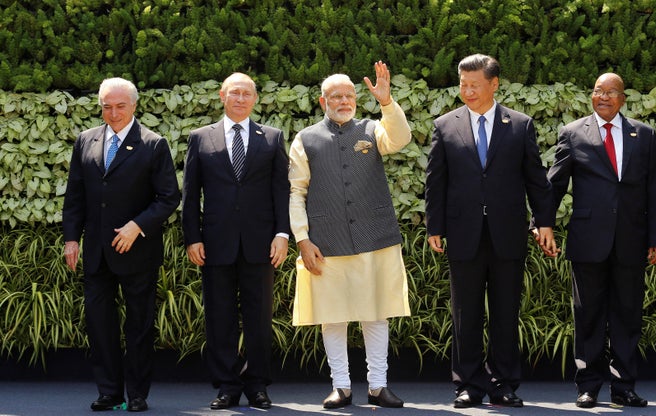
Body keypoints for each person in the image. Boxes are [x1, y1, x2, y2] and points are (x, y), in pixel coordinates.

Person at [424, 54, 557, 409]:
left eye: (474, 85)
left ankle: (503, 384)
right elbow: (436, 180)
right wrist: (434, 226)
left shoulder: (520, 124)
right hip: (463, 233)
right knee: (465, 314)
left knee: (505, 313)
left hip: (507, 233)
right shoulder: (445, 125)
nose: (466, 91)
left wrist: (543, 222)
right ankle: (467, 384)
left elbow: (536, 180)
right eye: (462, 84)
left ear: (494, 84)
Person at [288, 61, 411, 409]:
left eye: (349, 95)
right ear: (322, 100)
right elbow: (296, 192)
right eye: (336, 96)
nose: (344, 101)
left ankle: (378, 386)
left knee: (376, 313)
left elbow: (400, 139)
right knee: (333, 314)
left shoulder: (373, 129)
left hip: (375, 236)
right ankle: (340, 387)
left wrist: (387, 103)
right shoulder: (305, 138)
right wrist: (302, 238)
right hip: (325, 241)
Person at [546, 73, 656, 408]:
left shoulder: (643, 135)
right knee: (588, 315)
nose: (604, 96)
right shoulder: (572, 133)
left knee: (627, 316)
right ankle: (588, 386)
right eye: (598, 91)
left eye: (611, 92)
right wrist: (542, 223)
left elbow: (655, 189)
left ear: (623, 98)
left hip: (632, 238)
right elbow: (554, 185)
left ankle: (623, 386)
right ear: (592, 95)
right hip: (588, 240)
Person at [62, 77, 181, 412]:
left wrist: (137, 226)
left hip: (137, 251)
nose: (112, 113)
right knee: (100, 324)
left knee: (139, 325)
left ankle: (137, 393)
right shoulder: (86, 140)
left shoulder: (153, 144)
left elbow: (169, 197)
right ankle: (109, 392)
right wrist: (72, 238)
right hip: (97, 252)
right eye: (106, 106)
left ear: (134, 105)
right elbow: (75, 195)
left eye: (119, 106)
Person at [181, 72, 290, 410]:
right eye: (234, 93)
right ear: (222, 96)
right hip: (215, 243)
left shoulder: (271, 138)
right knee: (220, 317)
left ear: (255, 99)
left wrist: (282, 234)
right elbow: (190, 192)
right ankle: (227, 385)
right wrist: (192, 238)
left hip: (261, 244)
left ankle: (257, 386)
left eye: (247, 93)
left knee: (259, 319)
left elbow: (280, 190)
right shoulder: (201, 138)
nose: (241, 99)